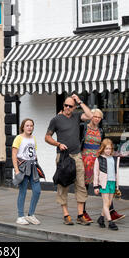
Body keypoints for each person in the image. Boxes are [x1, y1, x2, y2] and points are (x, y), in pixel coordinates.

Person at [45, 93, 93, 225]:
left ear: (74, 107)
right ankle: (66, 215)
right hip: (63, 157)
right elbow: (47, 137)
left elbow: (90, 116)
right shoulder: (56, 119)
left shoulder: (77, 116)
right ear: (63, 105)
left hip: (77, 156)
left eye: (70, 106)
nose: (67, 108)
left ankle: (80, 215)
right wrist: (58, 144)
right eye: (65, 105)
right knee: (63, 185)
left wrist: (80, 101)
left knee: (81, 185)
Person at [81, 109, 125, 223]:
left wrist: (114, 154)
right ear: (91, 117)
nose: (96, 119)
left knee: (106, 184)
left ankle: (110, 211)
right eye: (95, 116)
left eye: (99, 117)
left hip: (100, 161)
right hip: (86, 160)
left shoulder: (101, 130)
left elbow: (104, 146)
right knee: (84, 187)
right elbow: (78, 142)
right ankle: (82, 212)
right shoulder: (84, 128)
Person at [12, 118, 41, 225]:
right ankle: (20, 216)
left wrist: (37, 166)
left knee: (37, 190)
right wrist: (16, 170)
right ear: (23, 127)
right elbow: (14, 155)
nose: (29, 127)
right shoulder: (18, 138)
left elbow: (34, 153)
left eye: (31, 125)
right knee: (22, 191)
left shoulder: (33, 138)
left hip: (33, 166)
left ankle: (31, 214)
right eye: (27, 125)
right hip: (23, 167)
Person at [93, 138, 120, 231]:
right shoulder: (99, 159)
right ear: (103, 149)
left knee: (108, 203)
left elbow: (116, 173)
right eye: (106, 148)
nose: (108, 150)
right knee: (106, 202)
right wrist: (96, 186)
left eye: (110, 149)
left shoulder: (115, 159)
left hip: (112, 183)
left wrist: (117, 186)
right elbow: (96, 173)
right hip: (104, 183)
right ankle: (110, 222)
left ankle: (101, 218)